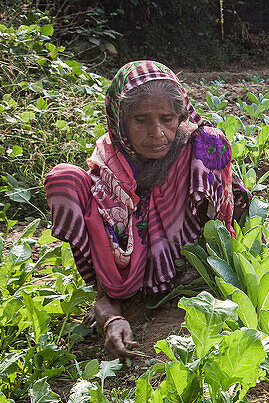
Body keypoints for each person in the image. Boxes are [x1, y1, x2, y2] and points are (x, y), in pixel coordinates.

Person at [44, 60, 247, 359]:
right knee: (64, 178)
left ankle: (190, 272)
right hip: (126, 277)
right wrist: (110, 313)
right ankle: (112, 296)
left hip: (189, 266)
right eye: (141, 120)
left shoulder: (198, 146)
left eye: (167, 118)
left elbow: (231, 210)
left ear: (179, 116)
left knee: (213, 141)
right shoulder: (109, 162)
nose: (157, 132)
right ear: (120, 121)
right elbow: (101, 223)